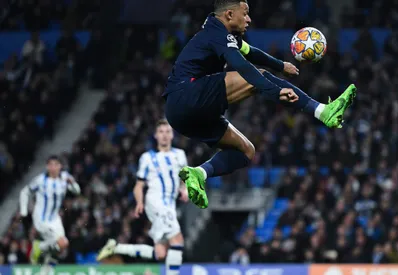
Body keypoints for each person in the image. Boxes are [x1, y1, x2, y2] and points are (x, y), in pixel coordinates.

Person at [164, 0, 357, 209]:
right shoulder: (216, 33)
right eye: (245, 13)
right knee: (256, 77)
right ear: (229, 14)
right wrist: (274, 91)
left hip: (181, 115)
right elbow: (241, 64)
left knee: (246, 151)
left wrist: (280, 65)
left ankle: (198, 173)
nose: (249, 19)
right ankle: (322, 111)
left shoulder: (224, 34)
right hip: (186, 94)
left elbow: (250, 52)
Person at [97, 119, 189, 275]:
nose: (164, 135)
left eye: (167, 132)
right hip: (156, 201)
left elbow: (184, 179)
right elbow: (139, 185)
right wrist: (139, 202)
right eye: (161, 132)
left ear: (172, 135)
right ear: (155, 135)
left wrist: (185, 190)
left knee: (161, 252)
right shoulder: (147, 158)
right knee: (177, 240)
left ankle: (116, 247)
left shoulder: (180, 155)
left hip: (169, 204)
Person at [19, 155, 81, 265]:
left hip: (55, 219)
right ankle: (40, 248)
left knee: (63, 244)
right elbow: (24, 192)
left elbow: (77, 191)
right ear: (47, 166)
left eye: (56, 164)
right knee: (60, 242)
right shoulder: (40, 180)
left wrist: (72, 183)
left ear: (60, 166)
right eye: (50, 165)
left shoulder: (65, 177)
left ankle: (42, 252)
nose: (53, 167)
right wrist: (24, 212)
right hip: (41, 218)